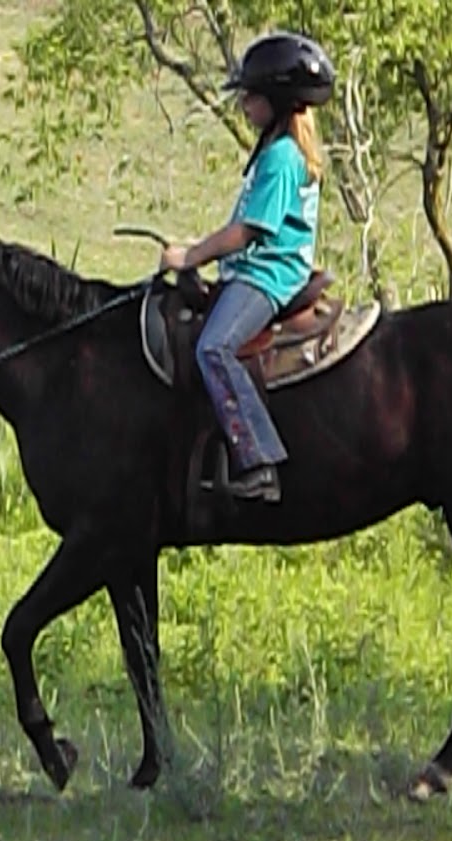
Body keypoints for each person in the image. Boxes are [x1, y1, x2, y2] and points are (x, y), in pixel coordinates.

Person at [159, 32, 335, 503]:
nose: (244, 104)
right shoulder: (277, 149)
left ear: (277, 101)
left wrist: (191, 256)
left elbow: (248, 232)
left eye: (252, 96)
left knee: (213, 347)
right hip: (252, 271)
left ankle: (258, 460)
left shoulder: (281, 157)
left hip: (268, 276)